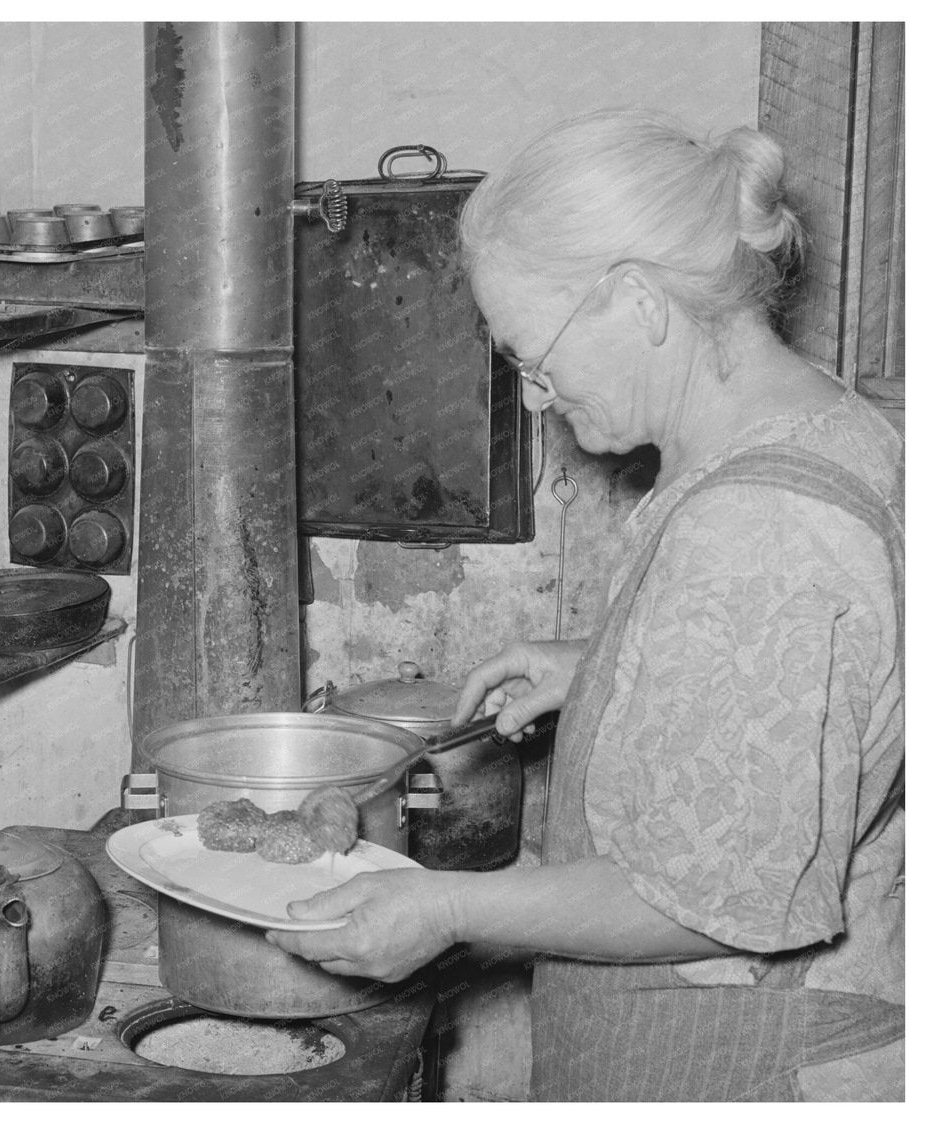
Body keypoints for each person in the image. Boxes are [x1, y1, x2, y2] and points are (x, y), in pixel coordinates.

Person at [266, 108, 904, 1101]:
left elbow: (722, 902)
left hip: (733, 1062)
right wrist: (608, 658)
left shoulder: (754, 529)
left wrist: (445, 906)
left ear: (637, 301)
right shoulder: (823, 424)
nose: (533, 394)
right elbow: (810, 676)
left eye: (532, 352)